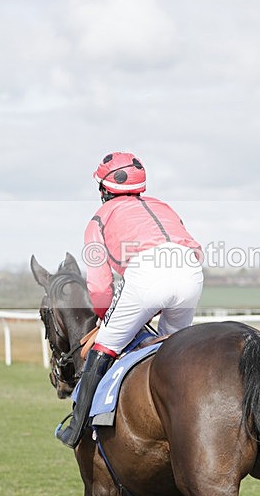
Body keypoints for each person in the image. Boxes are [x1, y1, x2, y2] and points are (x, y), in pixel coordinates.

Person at [56, 151, 204, 448]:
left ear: (104, 189)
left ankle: (77, 426)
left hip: (147, 276)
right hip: (191, 272)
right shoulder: (163, 207)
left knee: (104, 347)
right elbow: (193, 250)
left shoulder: (98, 219)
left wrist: (104, 313)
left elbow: (99, 285)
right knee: (172, 350)